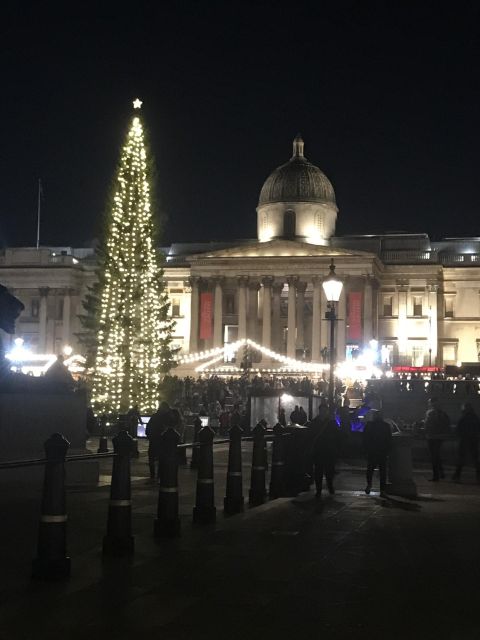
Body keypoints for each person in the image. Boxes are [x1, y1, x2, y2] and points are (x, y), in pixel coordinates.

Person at [312, 408, 341, 497]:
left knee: (321, 471)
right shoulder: (331, 423)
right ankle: (328, 487)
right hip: (327, 449)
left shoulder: (315, 422)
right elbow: (337, 435)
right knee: (326, 470)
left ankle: (320, 489)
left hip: (321, 449)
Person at [363, 409, 392, 495]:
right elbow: (389, 439)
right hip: (382, 451)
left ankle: (369, 485)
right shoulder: (386, 426)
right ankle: (382, 489)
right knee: (382, 471)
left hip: (372, 451)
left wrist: (365, 450)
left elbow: (365, 438)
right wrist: (388, 451)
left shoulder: (369, 425)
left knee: (370, 470)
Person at [424, 397, 451, 481]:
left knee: (434, 456)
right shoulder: (443, 413)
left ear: (432, 403)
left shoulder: (430, 413)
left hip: (432, 436)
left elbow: (428, 425)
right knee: (437, 455)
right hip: (440, 437)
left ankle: (436, 476)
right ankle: (441, 473)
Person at [452, 403, 480, 482]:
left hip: (464, 439)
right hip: (473, 440)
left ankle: (457, 475)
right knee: (475, 459)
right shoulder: (475, 417)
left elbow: (459, 428)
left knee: (461, 458)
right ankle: (478, 475)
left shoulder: (463, 418)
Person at [145, 401, 172, 481]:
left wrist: (149, 436)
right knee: (161, 459)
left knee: (152, 458)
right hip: (161, 440)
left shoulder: (155, 416)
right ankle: (159, 476)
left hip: (154, 439)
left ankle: (153, 476)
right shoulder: (167, 417)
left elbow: (149, 427)